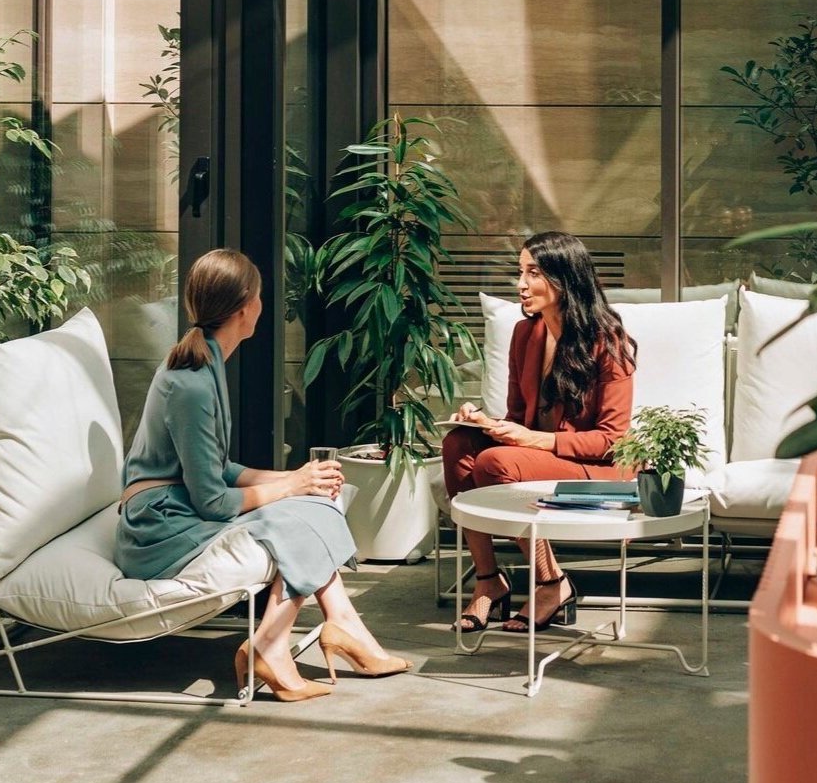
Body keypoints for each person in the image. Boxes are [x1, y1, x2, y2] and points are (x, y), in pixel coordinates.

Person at [115, 247, 410, 701]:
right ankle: (287, 641)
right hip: (158, 528)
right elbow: (210, 501)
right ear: (245, 307)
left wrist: (292, 478)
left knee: (314, 501)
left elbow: (216, 468)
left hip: (174, 509)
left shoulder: (206, 365)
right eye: (260, 297)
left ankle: (334, 627)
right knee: (301, 514)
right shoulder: (191, 383)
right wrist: (291, 485)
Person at [442, 231, 636, 634]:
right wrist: (486, 423)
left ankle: (551, 583)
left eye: (533, 273)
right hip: (541, 457)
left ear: (564, 278)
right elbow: (518, 416)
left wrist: (534, 440)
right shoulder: (525, 334)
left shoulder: (607, 341)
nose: (520, 284)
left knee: (496, 462)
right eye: (520, 272)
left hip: (597, 468)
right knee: (459, 444)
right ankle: (488, 580)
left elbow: (614, 439)